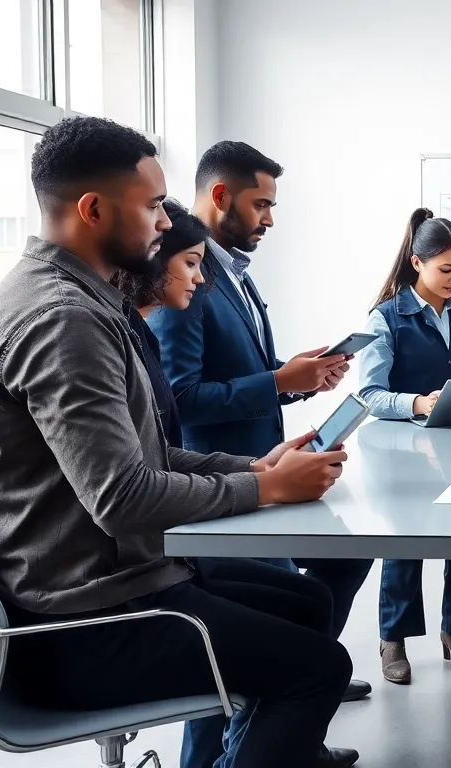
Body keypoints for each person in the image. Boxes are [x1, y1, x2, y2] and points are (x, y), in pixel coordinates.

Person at [0, 115, 362, 767]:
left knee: (308, 599)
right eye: (151, 207)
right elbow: (122, 498)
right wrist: (261, 487)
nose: (162, 224)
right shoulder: (65, 320)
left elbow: (145, 456)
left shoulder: (84, 302)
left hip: (118, 580)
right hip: (86, 624)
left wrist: (257, 468)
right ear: (93, 210)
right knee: (319, 668)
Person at [147, 142, 376, 694]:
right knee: (277, 610)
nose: (270, 219)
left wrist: (298, 379)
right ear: (221, 196)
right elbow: (180, 397)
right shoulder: (183, 282)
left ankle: (304, 677)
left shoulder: (235, 274)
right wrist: (276, 382)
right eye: (261, 205)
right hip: (218, 486)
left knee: (346, 560)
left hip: (260, 465)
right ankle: (294, 681)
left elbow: (241, 368)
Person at [356, 208, 451, 684]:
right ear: (417, 263)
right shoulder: (387, 317)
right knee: (404, 544)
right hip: (405, 451)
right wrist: (418, 401)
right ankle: (392, 638)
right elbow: (370, 394)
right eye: (446, 270)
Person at [112, 198, 211, 448]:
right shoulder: (113, 331)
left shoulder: (139, 330)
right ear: (156, 254)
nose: (199, 278)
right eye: (190, 263)